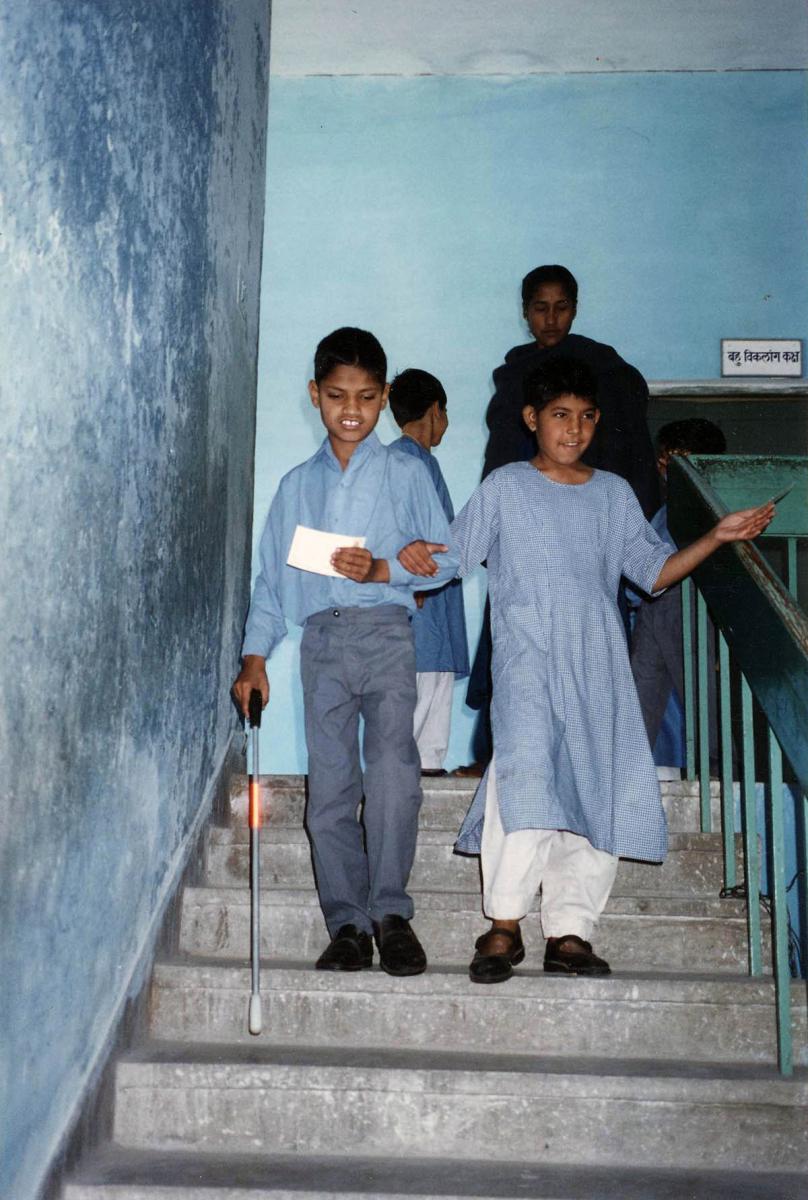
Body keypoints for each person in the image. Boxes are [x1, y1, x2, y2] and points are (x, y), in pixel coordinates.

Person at [399, 357, 772, 983]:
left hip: (598, 669)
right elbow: (449, 558)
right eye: (560, 416)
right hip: (526, 668)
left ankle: (571, 930)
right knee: (521, 782)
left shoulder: (613, 494)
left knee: (594, 784)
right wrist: (409, 556)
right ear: (532, 419)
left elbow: (653, 573)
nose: (574, 430)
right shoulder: (506, 487)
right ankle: (505, 924)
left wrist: (716, 537)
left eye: (586, 417)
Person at [232, 328, 456, 977]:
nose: (350, 408)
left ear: (385, 398)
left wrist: (388, 568)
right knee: (329, 787)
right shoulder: (296, 486)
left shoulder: (406, 471)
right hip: (322, 644)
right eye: (336, 395)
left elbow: (447, 559)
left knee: (391, 769)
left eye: (364, 396)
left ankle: (391, 913)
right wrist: (254, 659)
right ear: (315, 396)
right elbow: (272, 586)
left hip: (386, 633)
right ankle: (348, 924)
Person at [459, 264, 659, 775]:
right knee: (511, 649)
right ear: (525, 313)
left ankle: (593, 763)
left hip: (586, 531)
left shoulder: (605, 373)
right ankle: (494, 757)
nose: (551, 318)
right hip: (525, 534)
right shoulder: (514, 378)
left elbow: (627, 448)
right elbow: (499, 456)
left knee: (592, 659)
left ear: (576, 307)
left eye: (562, 306)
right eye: (540, 308)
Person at [630, 418, 728, 766]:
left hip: (687, 607)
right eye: (663, 461)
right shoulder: (664, 511)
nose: (665, 469)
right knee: (641, 697)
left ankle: (716, 770)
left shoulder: (712, 511)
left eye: (677, 461)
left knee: (699, 695)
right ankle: (631, 773)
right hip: (650, 609)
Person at [387, 369, 469, 776]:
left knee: (433, 680)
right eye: (446, 413)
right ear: (436, 410)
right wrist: (412, 583)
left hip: (433, 599)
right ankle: (408, 772)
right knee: (416, 687)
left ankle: (429, 768)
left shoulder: (420, 462)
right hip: (416, 600)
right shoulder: (403, 461)